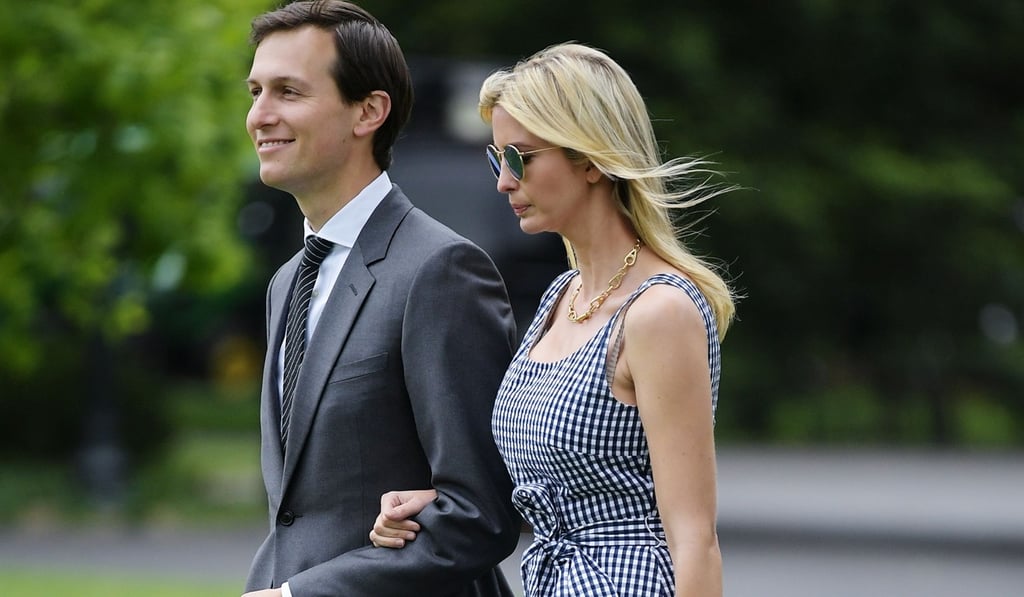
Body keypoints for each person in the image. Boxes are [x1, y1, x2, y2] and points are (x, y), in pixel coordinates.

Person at [369, 42, 736, 596]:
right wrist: (433, 505)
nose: (503, 181)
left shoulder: (660, 311)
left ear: (589, 159)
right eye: (496, 160)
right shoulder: (561, 296)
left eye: (520, 158)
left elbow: (695, 540)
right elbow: (553, 485)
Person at [240, 2, 521, 596]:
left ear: (368, 111)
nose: (259, 115)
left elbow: (481, 515)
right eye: (256, 91)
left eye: (288, 91)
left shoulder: (441, 271)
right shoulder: (287, 281)